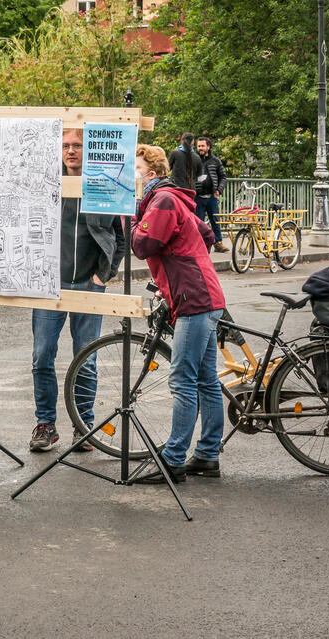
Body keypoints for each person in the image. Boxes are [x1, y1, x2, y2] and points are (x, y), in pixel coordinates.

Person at [131, 143, 226, 483]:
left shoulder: (163, 200)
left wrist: (132, 218)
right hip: (204, 295)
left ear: (152, 175)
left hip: (193, 300)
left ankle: (173, 460)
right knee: (206, 380)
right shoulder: (172, 199)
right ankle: (207, 455)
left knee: (183, 381)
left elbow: (142, 245)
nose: (131, 176)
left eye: (136, 170)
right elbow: (207, 233)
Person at [28, 128, 127, 452]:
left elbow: (119, 235)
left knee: (86, 359)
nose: (71, 151)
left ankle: (82, 424)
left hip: (88, 284)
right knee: (42, 356)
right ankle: (46, 425)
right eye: (66, 146)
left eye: (77, 146)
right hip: (48, 284)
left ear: (87, 150)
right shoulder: (46, 184)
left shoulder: (101, 185)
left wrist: (104, 275)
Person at [194, 136, 227, 253]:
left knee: (215, 220)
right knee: (199, 222)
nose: (200, 148)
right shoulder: (194, 160)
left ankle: (218, 243)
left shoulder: (216, 161)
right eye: (198, 146)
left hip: (212, 196)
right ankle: (200, 245)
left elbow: (223, 176)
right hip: (198, 197)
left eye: (202, 146)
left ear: (208, 147)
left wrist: (219, 189)